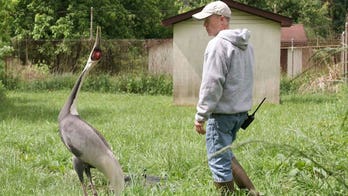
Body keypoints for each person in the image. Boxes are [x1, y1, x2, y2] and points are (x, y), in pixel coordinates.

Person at [192, 1, 259, 195]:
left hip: (221, 116)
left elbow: (212, 84)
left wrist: (200, 115)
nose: (204, 24)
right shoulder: (246, 45)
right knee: (226, 154)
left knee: (218, 160)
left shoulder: (217, 45)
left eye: (207, 20)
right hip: (239, 113)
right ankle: (253, 193)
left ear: (222, 19)